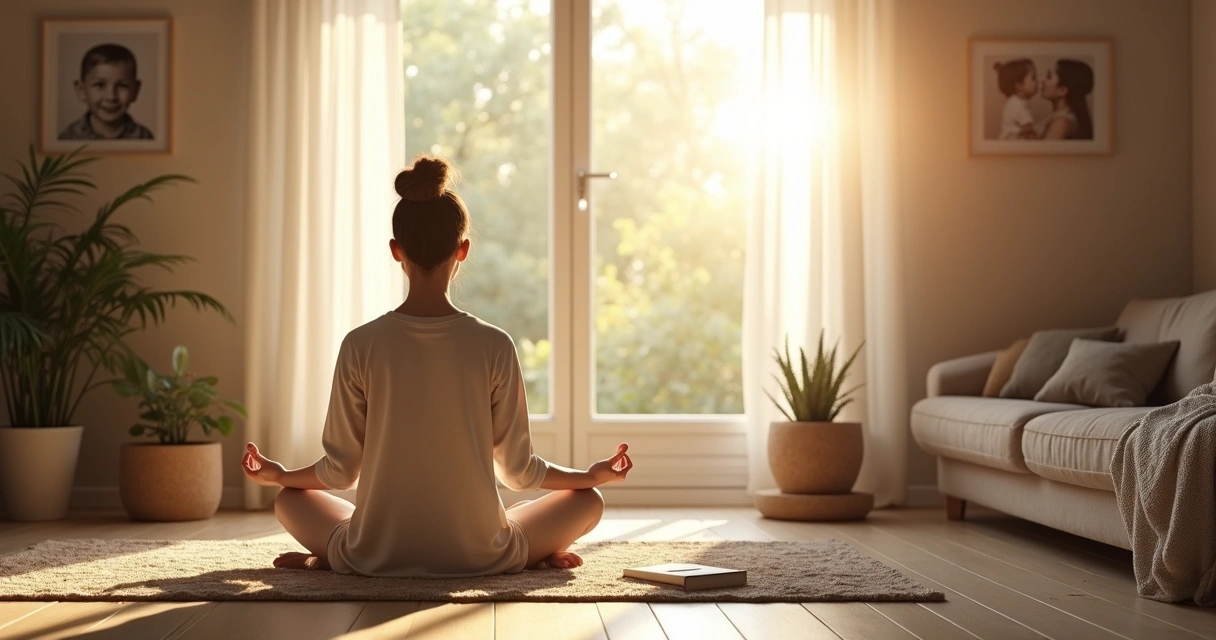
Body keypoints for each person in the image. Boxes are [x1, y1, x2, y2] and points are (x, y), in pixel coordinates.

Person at [241, 156, 634, 577]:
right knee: (588, 499)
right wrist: (589, 475)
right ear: (463, 250)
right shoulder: (494, 344)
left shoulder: (360, 344)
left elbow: (340, 472)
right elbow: (519, 473)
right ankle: (536, 553)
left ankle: (330, 557)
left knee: (288, 498)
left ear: (397, 251)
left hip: (372, 556)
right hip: (482, 557)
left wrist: (281, 474)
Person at [58, 43, 154, 140]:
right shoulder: (68, 138)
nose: (111, 97)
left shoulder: (144, 137)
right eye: (100, 85)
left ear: (135, 91)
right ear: (81, 90)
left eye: (122, 86)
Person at [1039, 59, 1094, 140]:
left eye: (1049, 76)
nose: (1042, 80)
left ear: (1062, 90)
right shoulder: (1057, 117)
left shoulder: (1062, 122)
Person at [993, 59, 1039, 140]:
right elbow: (1030, 134)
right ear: (1019, 85)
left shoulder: (1015, 102)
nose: (1038, 81)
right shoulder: (1017, 105)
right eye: (1034, 78)